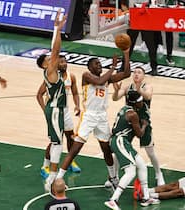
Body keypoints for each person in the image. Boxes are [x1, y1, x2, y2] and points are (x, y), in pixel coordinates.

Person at [56, 49, 131, 188]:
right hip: (89, 116)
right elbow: (100, 80)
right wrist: (113, 67)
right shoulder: (86, 76)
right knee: (75, 148)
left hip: (102, 117)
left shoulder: (106, 78)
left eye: (100, 64)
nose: (99, 66)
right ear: (90, 67)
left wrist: (126, 53)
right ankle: (58, 178)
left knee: (106, 149)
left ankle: (113, 178)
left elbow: (126, 74)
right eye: (96, 64)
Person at [104, 91, 160, 210]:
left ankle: (146, 197)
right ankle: (113, 200)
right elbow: (139, 134)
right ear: (135, 103)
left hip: (120, 141)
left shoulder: (125, 109)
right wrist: (144, 125)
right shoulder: (133, 115)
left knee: (142, 166)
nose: (142, 102)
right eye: (140, 101)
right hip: (120, 141)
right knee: (131, 172)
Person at [112, 66, 165, 186]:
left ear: (143, 76)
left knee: (150, 152)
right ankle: (113, 177)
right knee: (119, 151)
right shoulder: (127, 87)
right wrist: (116, 90)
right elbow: (115, 98)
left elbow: (148, 96)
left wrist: (138, 89)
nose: (136, 74)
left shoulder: (147, 86)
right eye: (134, 72)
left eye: (139, 72)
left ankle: (158, 174)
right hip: (130, 122)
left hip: (143, 122)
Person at [36, 10, 67, 191]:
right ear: (45, 64)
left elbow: (39, 94)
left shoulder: (48, 74)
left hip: (54, 109)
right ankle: (51, 180)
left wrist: (56, 30)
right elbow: (56, 50)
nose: (52, 58)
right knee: (57, 144)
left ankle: (52, 177)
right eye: (48, 59)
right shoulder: (50, 71)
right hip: (55, 110)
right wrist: (57, 29)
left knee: (57, 143)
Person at [37, 55, 81, 179]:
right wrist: (45, 110)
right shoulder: (53, 77)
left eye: (64, 61)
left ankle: (70, 161)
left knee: (70, 137)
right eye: (60, 62)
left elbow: (75, 93)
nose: (63, 64)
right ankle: (45, 166)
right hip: (56, 111)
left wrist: (77, 105)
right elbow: (39, 95)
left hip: (65, 111)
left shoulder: (71, 77)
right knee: (55, 141)